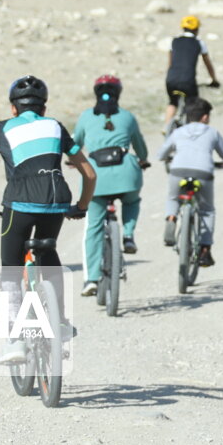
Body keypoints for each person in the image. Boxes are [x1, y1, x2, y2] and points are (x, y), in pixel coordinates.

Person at [0, 75, 95, 365]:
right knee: (48, 253)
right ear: (43, 108)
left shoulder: (1, 129)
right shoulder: (56, 128)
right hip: (56, 200)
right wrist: (80, 206)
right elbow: (89, 174)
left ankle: (16, 339)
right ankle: (59, 321)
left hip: (19, 204)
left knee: (11, 271)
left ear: (13, 108)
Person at [73, 75, 150, 296]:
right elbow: (140, 146)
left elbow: (75, 143)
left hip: (96, 176)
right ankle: (127, 234)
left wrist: (73, 160)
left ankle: (91, 279)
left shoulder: (86, 116)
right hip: (127, 173)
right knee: (132, 200)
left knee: (93, 228)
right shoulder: (127, 116)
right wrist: (143, 159)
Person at [158, 98, 223, 268]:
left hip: (178, 171)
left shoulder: (178, 132)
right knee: (207, 210)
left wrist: (168, 157)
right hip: (203, 172)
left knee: (173, 198)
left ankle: (171, 218)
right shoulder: (212, 132)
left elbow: (161, 154)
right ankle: (205, 251)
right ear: (205, 117)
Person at [164, 15, 219, 129]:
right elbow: (207, 64)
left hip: (171, 79)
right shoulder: (199, 43)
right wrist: (214, 79)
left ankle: (166, 127)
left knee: (172, 102)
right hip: (188, 80)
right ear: (197, 29)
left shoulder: (173, 41)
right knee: (192, 105)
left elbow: (170, 62)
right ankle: (191, 129)